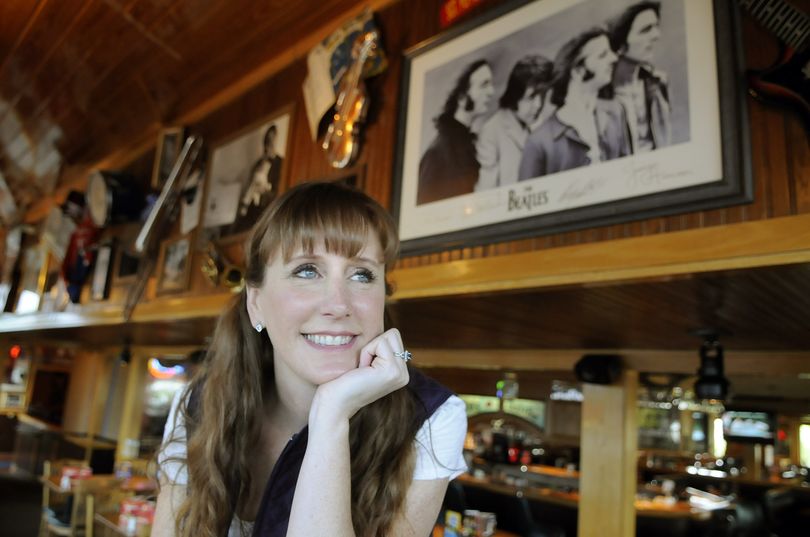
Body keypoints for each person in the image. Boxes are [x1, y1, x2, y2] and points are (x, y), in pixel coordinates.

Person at [154, 181, 468, 537]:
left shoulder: (431, 419)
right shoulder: (199, 403)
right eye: (307, 271)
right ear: (255, 303)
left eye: (362, 274)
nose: (338, 304)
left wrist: (331, 414)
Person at [518, 28, 632, 180]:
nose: (613, 59)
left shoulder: (615, 113)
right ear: (578, 71)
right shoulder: (538, 142)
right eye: (602, 55)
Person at [417, 59, 495, 205]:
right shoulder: (440, 152)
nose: (491, 92)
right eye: (484, 85)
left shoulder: (466, 143)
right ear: (461, 97)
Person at [475, 55, 554, 191]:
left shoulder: (541, 122)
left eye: (542, 96)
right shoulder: (491, 131)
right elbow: (485, 191)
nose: (538, 105)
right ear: (515, 94)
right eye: (531, 97)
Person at [608, 1, 671, 152]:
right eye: (645, 30)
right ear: (621, 43)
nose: (656, 35)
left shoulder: (658, 82)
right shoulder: (599, 92)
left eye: (656, 27)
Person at [234, 125, 283, 232]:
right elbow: (249, 188)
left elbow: (279, 191)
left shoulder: (281, 163)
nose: (268, 144)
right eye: (267, 140)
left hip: (268, 209)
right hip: (252, 209)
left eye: (271, 140)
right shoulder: (257, 165)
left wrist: (266, 192)